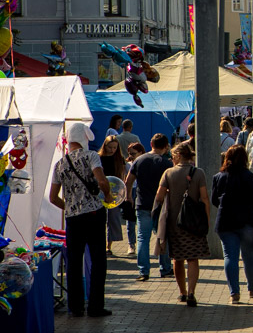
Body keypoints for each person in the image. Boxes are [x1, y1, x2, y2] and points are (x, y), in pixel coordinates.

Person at [49, 122, 113, 317]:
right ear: (84, 138)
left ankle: (75, 307)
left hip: (73, 219)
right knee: (98, 261)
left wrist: (69, 207)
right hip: (93, 215)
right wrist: (108, 196)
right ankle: (95, 306)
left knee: (74, 262)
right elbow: (102, 181)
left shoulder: (60, 164)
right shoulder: (91, 156)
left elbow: (53, 197)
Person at [154, 143, 210, 308]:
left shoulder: (168, 173)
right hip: (194, 222)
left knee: (177, 259)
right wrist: (206, 219)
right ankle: (192, 292)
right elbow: (204, 198)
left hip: (174, 223)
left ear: (178, 156)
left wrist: (170, 194)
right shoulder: (198, 172)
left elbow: (159, 196)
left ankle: (182, 293)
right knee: (193, 258)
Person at [210, 144, 253, 303]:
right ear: (245, 159)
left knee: (230, 256)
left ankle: (234, 293)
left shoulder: (218, 177)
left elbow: (214, 200)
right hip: (246, 221)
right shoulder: (249, 176)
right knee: (249, 256)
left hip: (225, 222)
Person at [127, 133, 174, 280]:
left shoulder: (139, 160)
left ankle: (143, 271)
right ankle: (165, 268)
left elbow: (128, 180)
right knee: (162, 236)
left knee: (142, 238)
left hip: (142, 204)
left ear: (151, 144)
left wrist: (129, 197)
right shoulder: (167, 163)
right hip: (160, 205)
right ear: (166, 147)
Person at [98, 135, 126, 255]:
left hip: (114, 191)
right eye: (110, 147)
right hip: (100, 191)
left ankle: (108, 246)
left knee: (113, 218)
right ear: (105, 146)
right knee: (100, 219)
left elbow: (122, 175)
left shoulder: (119, 159)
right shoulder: (99, 158)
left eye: (115, 147)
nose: (112, 150)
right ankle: (100, 243)